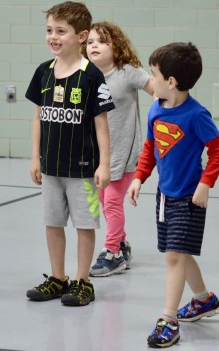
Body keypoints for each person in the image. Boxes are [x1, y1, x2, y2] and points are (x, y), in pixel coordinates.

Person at [128, 42, 219, 348]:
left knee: (174, 256)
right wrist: (139, 177)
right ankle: (204, 300)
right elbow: (150, 148)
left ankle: (168, 320)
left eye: (154, 74)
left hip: (188, 198)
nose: (150, 80)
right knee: (178, 253)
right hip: (165, 196)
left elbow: (218, 150)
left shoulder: (196, 115)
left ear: (171, 81)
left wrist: (205, 184)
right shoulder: (156, 109)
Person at [24, 1, 114, 307]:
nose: (53, 36)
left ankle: (82, 281)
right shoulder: (43, 72)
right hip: (51, 167)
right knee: (53, 223)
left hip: (83, 170)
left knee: (85, 225)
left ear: (81, 36)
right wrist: (35, 158)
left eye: (61, 31)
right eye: (50, 30)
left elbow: (101, 124)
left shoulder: (92, 76)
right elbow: (38, 118)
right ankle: (58, 278)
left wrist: (104, 164)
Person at [85, 21, 153, 277]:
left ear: (116, 47)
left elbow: (157, 90)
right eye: (90, 42)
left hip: (125, 155)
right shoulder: (86, 76)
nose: (94, 46)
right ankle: (122, 243)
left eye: (102, 42)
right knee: (104, 203)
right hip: (100, 157)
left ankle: (112, 252)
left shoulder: (128, 72)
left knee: (112, 203)